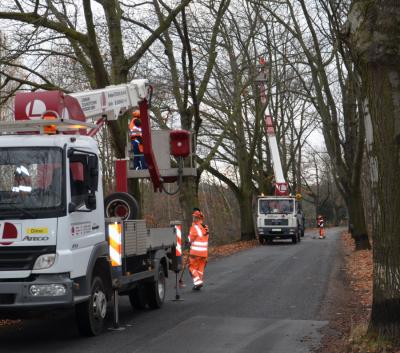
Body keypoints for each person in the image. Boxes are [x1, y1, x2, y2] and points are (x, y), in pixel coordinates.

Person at [187, 208, 209, 290]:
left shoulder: (194, 227)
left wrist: (187, 241)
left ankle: (198, 282)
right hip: (204, 253)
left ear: (197, 218)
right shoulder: (206, 227)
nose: (193, 219)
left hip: (195, 253)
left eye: (195, 217)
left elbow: (191, 238)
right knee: (200, 268)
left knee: (192, 267)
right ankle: (198, 283)